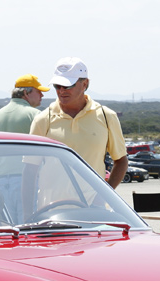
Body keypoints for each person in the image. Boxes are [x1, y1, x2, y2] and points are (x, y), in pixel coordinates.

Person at [29, 57, 127, 188]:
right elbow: (30, 169)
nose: (61, 90)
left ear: (85, 84)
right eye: (57, 86)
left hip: (94, 207)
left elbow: (121, 161)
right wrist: (27, 208)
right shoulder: (42, 119)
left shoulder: (106, 116)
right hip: (51, 207)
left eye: (68, 85)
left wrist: (103, 196)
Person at [0, 74, 50, 224]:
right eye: (38, 91)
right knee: (29, 229)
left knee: (8, 231)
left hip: (1, 183)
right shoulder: (35, 115)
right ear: (26, 93)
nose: (42, 95)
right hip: (26, 182)